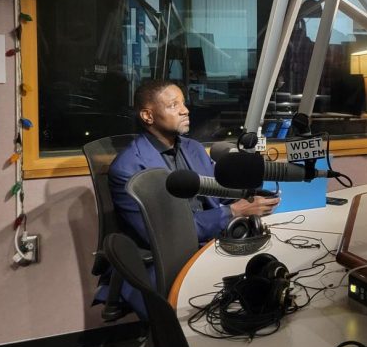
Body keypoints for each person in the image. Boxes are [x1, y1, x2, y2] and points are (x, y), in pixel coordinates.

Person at [100, 79, 280, 315]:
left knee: (270, 275)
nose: (185, 110)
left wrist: (250, 197)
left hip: (210, 243)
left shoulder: (193, 148)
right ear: (148, 116)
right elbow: (167, 233)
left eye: (183, 103)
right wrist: (233, 212)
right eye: (173, 105)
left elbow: (221, 194)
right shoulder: (129, 170)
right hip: (165, 260)